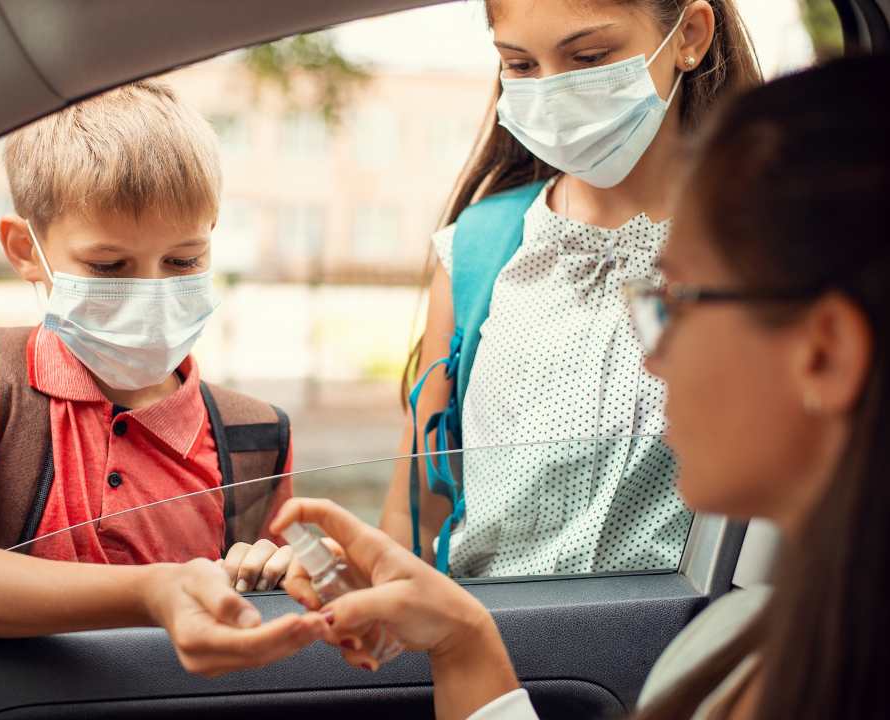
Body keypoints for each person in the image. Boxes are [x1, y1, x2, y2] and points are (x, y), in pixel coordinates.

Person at [278, 53, 890, 718]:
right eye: (520, 63)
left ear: (824, 353)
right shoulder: (748, 644)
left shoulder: (753, 652)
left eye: (677, 300)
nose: (652, 359)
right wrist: (463, 641)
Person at [0, 80, 309, 651]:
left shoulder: (255, 436)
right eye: (108, 265)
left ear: (212, 237)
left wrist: (280, 570)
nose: (151, 289)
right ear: (26, 250)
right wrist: (152, 592)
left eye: (183, 259)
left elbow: (293, 601)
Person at [380, 0, 760, 577]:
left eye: (589, 56)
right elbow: (416, 520)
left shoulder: (764, 243)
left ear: (690, 34)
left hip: (682, 647)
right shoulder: (477, 251)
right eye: (522, 66)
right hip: (496, 646)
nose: (553, 95)